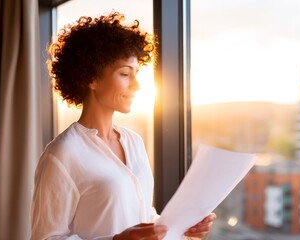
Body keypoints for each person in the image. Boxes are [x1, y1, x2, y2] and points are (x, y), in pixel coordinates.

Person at [30, 11, 215, 240]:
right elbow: (46, 238)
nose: (136, 85)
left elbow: (143, 218)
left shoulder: (134, 142)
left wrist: (184, 230)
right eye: (125, 74)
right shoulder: (62, 154)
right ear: (92, 78)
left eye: (137, 73)